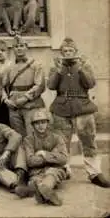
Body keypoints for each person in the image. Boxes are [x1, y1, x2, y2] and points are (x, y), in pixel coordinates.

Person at [48, 37, 110, 188]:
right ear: (61, 52)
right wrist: (58, 71)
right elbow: (50, 86)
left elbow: (90, 83)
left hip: (82, 106)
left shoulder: (84, 64)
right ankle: (63, 170)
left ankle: (94, 172)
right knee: (62, 141)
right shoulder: (56, 66)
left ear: (76, 52)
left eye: (70, 51)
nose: (68, 53)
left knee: (88, 140)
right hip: (61, 108)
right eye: (65, 51)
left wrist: (81, 67)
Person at [22, 109, 68, 206]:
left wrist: (44, 154)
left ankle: (44, 189)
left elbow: (63, 159)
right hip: (36, 171)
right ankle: (42, 191)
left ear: (47, 123)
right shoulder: (28, 140)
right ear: (33, 125)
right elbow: (30, 161)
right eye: (37, 123)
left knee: (51, 174)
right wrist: (53, 156)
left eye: (43, 122)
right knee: (35, 180)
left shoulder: (57, 138)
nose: (41, 126)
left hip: (55, 169)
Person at [2, 36, 45, 136]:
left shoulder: (36, 65)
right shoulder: (9, 67)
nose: (19, 48)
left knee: (32, 133)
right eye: (16, 46)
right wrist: (5, 100)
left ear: (26, 47)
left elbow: (40, 85)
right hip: (14, 106)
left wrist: (25, 98)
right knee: (18, 135)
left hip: (31, 104)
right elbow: (3, 86)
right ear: (13, 49)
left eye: (21, 46)